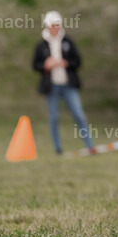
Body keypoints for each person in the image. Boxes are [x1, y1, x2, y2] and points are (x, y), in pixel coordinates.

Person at [32, 11, 96, 155]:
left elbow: (78, 61)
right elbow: (35, 65)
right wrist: (45, 65)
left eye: (56, 25)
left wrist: (65, 62)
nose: (54, 28)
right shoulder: (41, 45)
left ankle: (90, 145)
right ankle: (57, 148)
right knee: (54, 117)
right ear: (46, 26)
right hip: (52, 86)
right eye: (51, 25)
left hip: (68, 85)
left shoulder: (67, 41)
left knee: (79, 114)